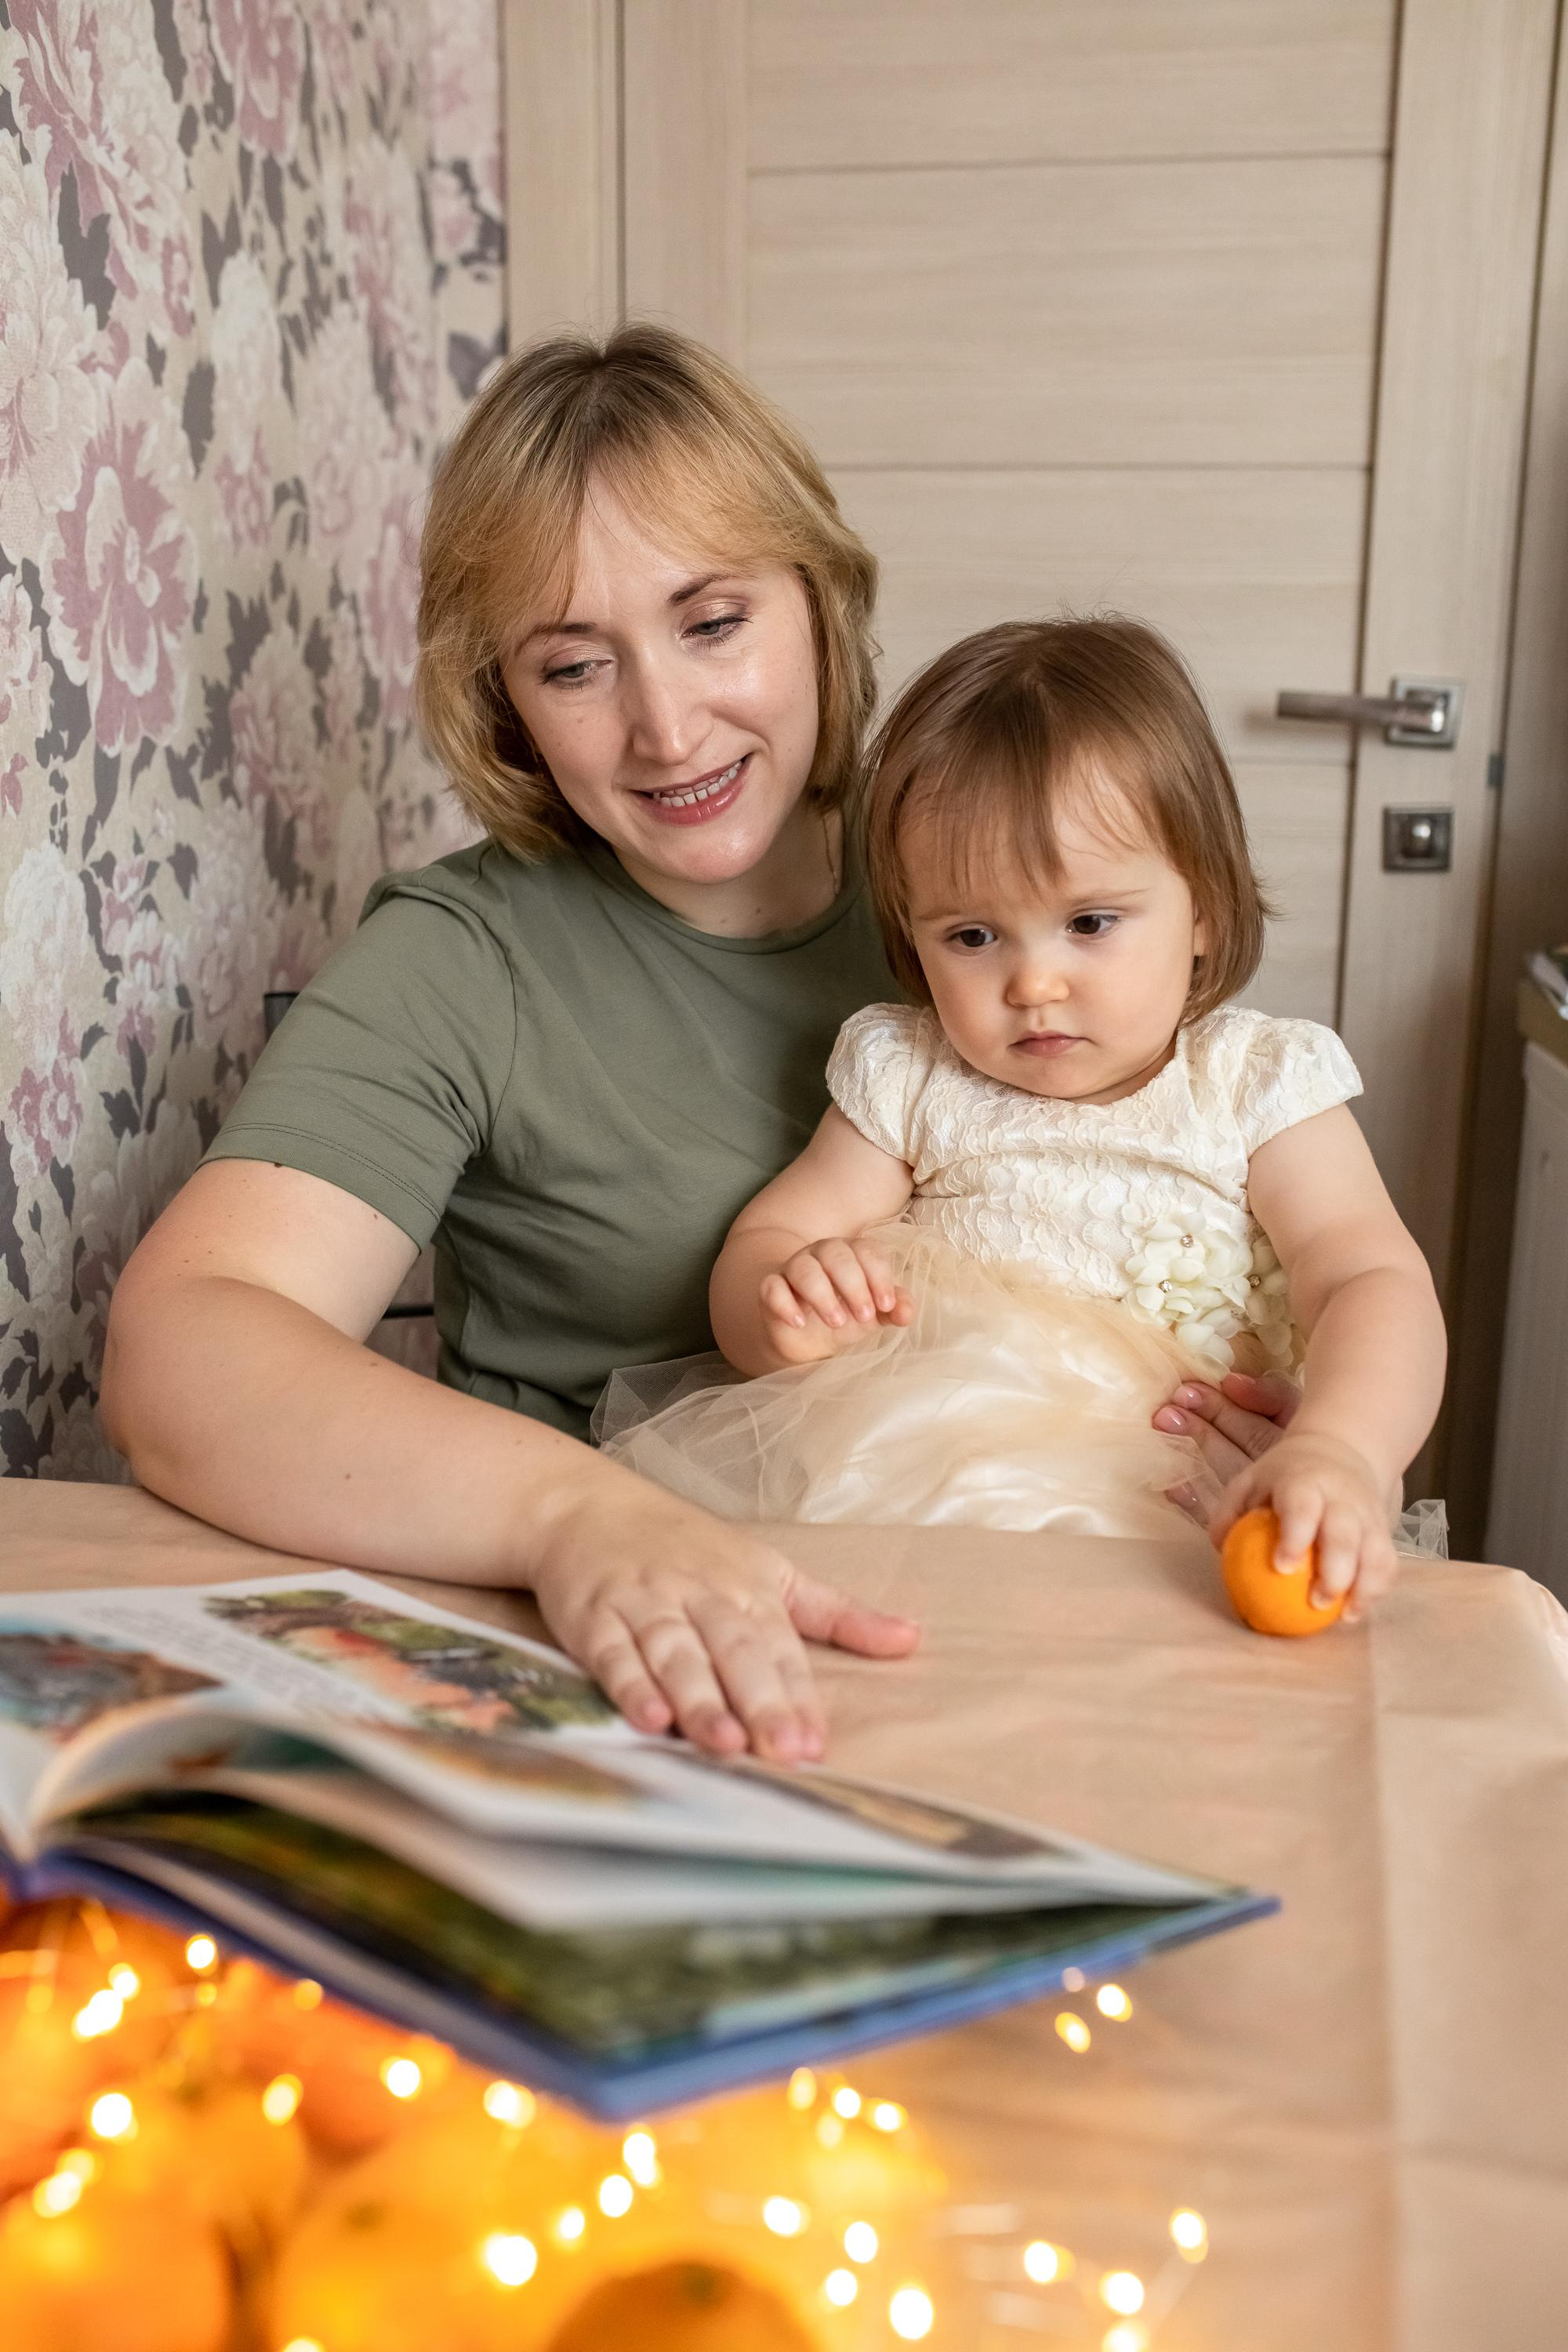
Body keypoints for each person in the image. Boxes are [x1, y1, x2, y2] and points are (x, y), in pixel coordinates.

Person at [101, 328, 1292, 1762]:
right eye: (574, 664)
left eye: (712, 622)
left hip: (1077, 1614)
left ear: (817, 602)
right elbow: (183, 1347)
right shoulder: (463, 958)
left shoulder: (992, 889)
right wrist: (571, 1515)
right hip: (656, 1682)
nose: (666, 727)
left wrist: (1267, 1408)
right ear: (508, 704)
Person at [603, 618, 1446, 1615]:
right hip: (920, 1496)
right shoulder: (909, 1074)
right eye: (971, 934)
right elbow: (774, 1236)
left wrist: (1337, 1447)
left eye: (1089, 922)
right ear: (914, 943)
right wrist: (781, 1307)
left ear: (1203, 910)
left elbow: (1366, 1278)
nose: (1032, 982)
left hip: (1180, 1507)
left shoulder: (1253, 1082)